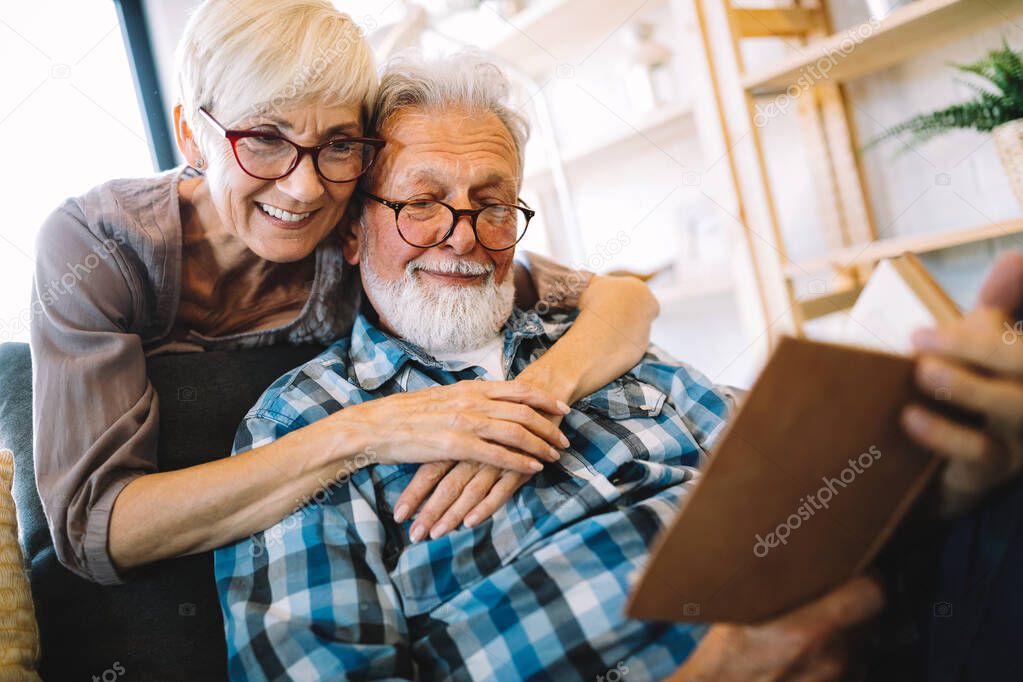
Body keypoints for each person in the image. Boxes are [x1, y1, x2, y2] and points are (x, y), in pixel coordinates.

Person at [214, 52, 893, 681]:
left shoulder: (593, 341)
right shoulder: (302, 418)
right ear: (353, 232)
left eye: (493, 206)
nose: (463, 236)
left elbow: (806, 475)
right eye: (420, 204)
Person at [29, 0, 660, 587]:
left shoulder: (357, 230)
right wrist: (364, 430)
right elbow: (93, 526)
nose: (305, 190)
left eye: (336, 145)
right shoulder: (98, 248)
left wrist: (531, 404)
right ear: (193, 136)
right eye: (266, 139)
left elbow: (623, 299)